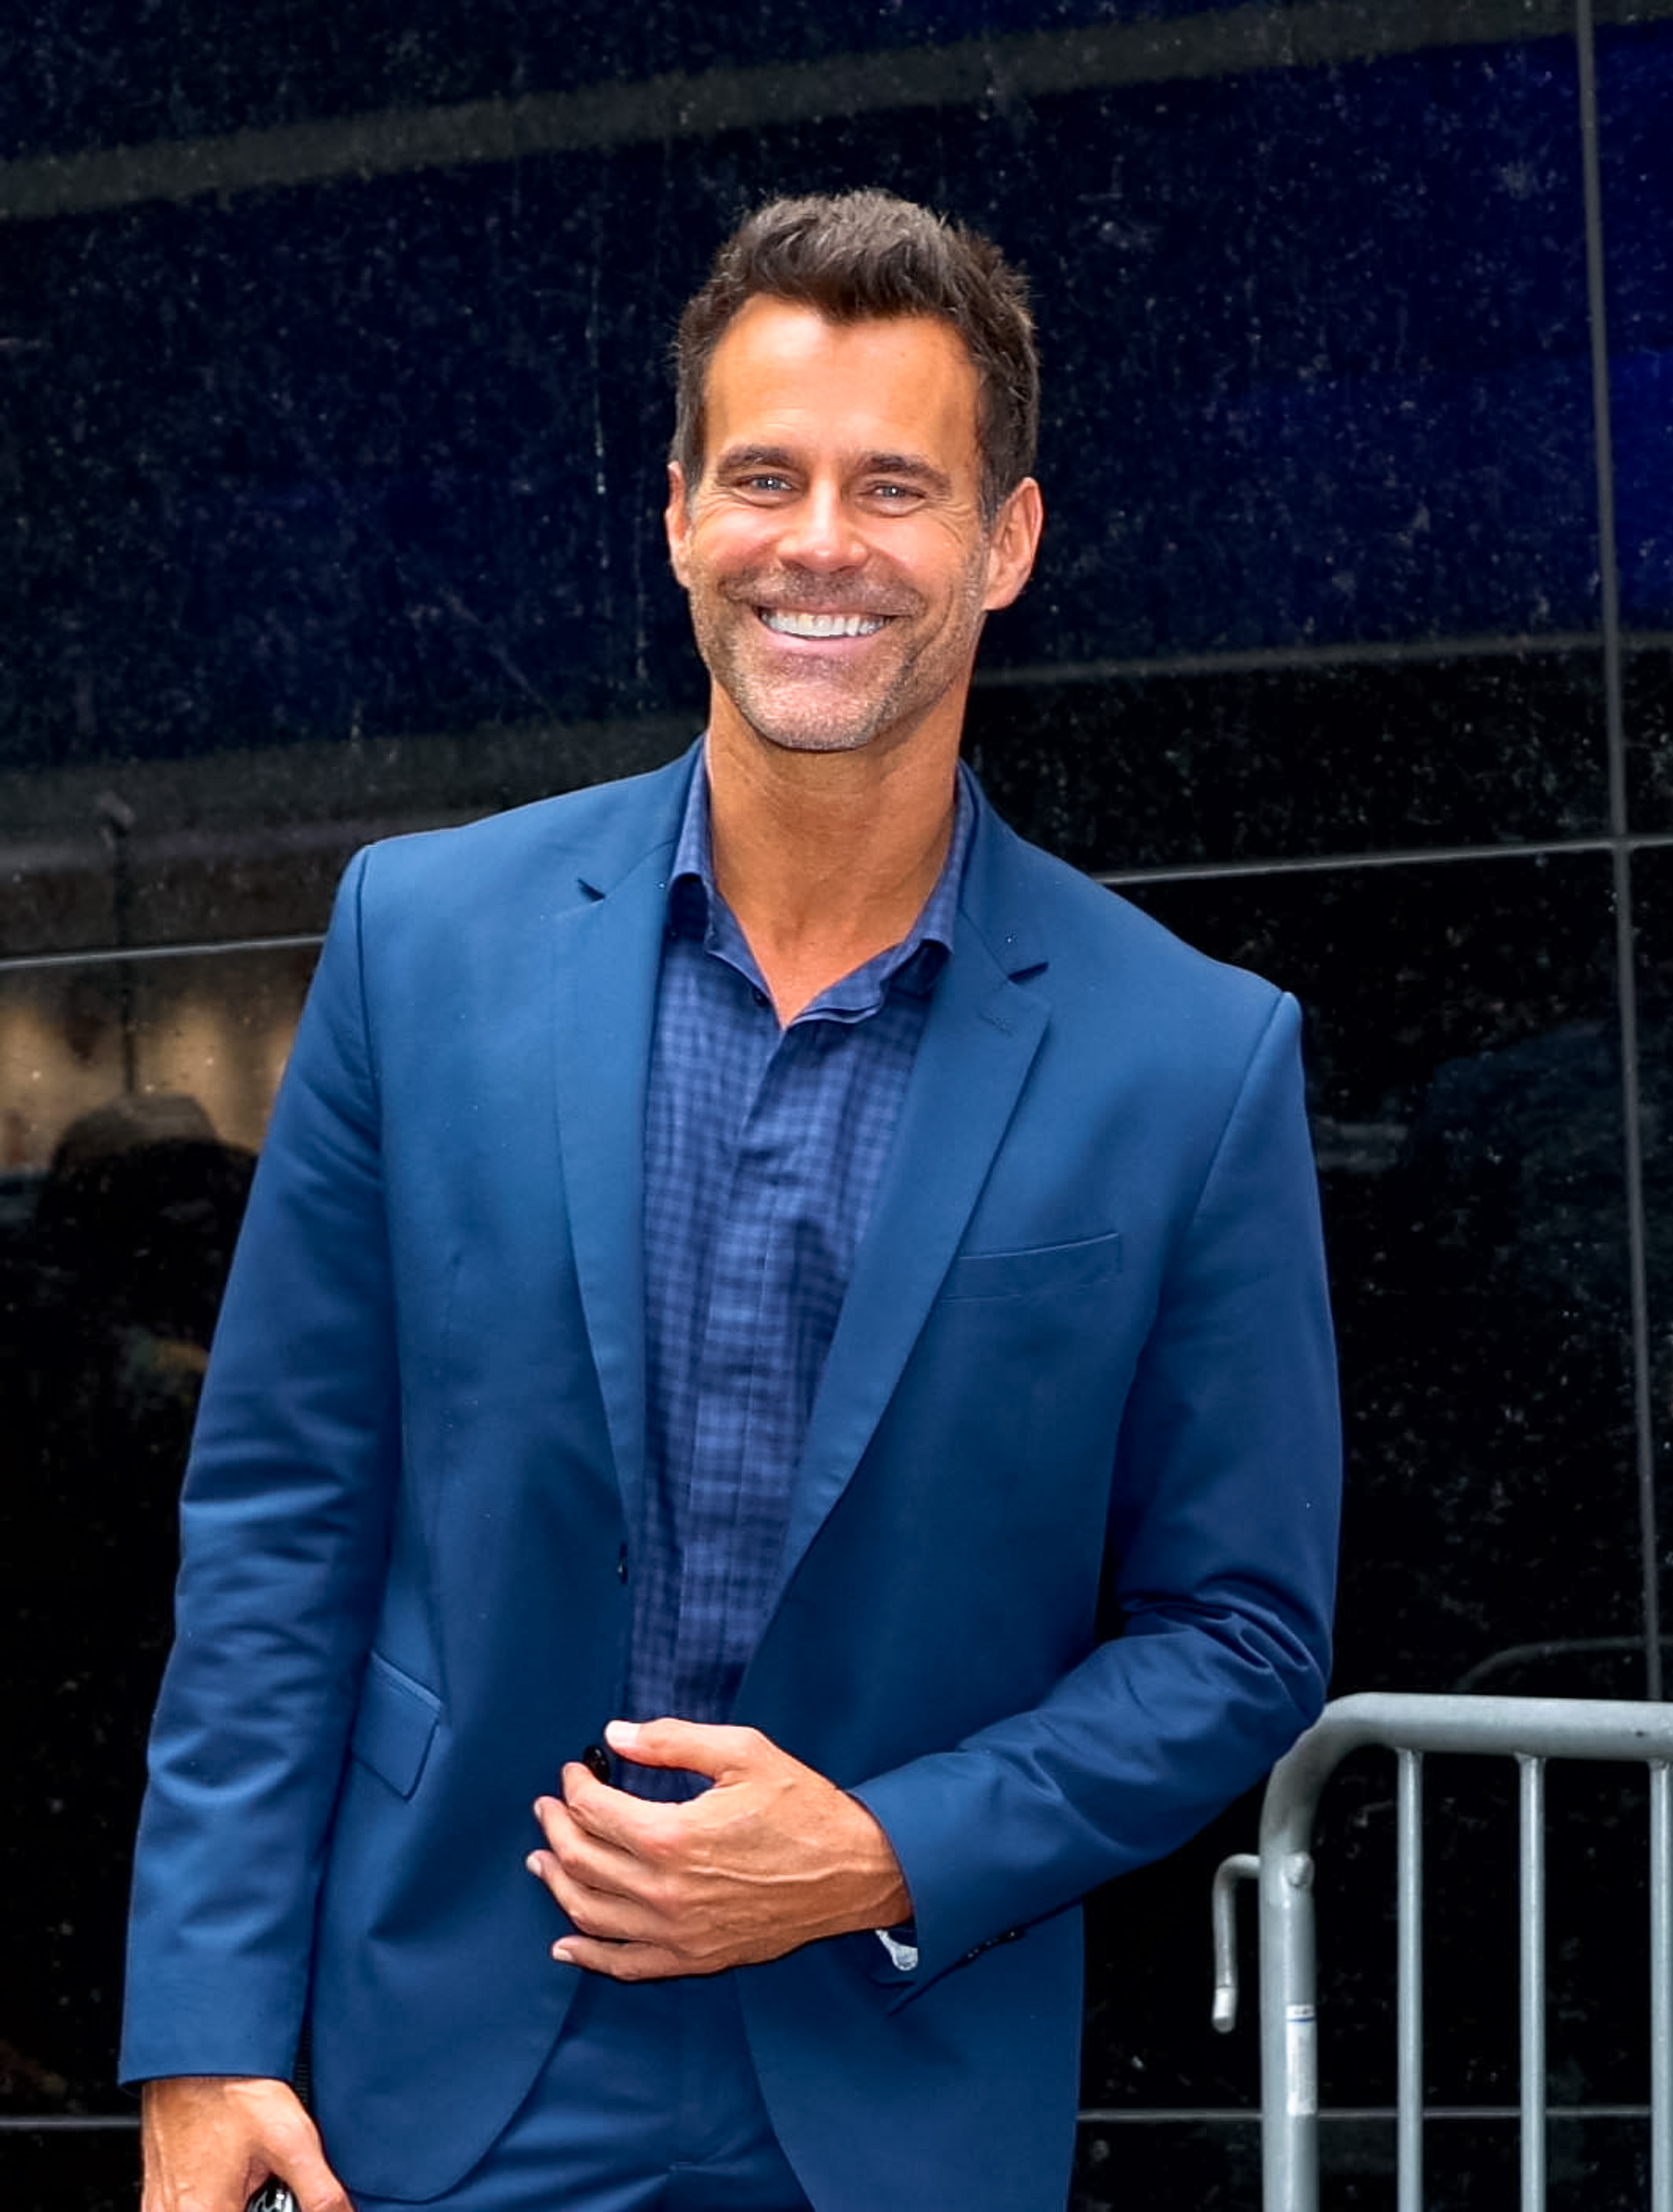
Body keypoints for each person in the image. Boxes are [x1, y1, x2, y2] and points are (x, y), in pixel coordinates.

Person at [122, 189, 1340, 2212]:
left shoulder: (1189, 1057)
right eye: (763, 474)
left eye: (896, 485)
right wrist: (204, 2026)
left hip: (894, 2089)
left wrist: (879, 1847)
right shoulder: (422, 943)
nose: (821, 544)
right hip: (439, 2075)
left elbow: (1236, 1630)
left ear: (1004, 541)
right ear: (680, 511)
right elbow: (279, 1522)